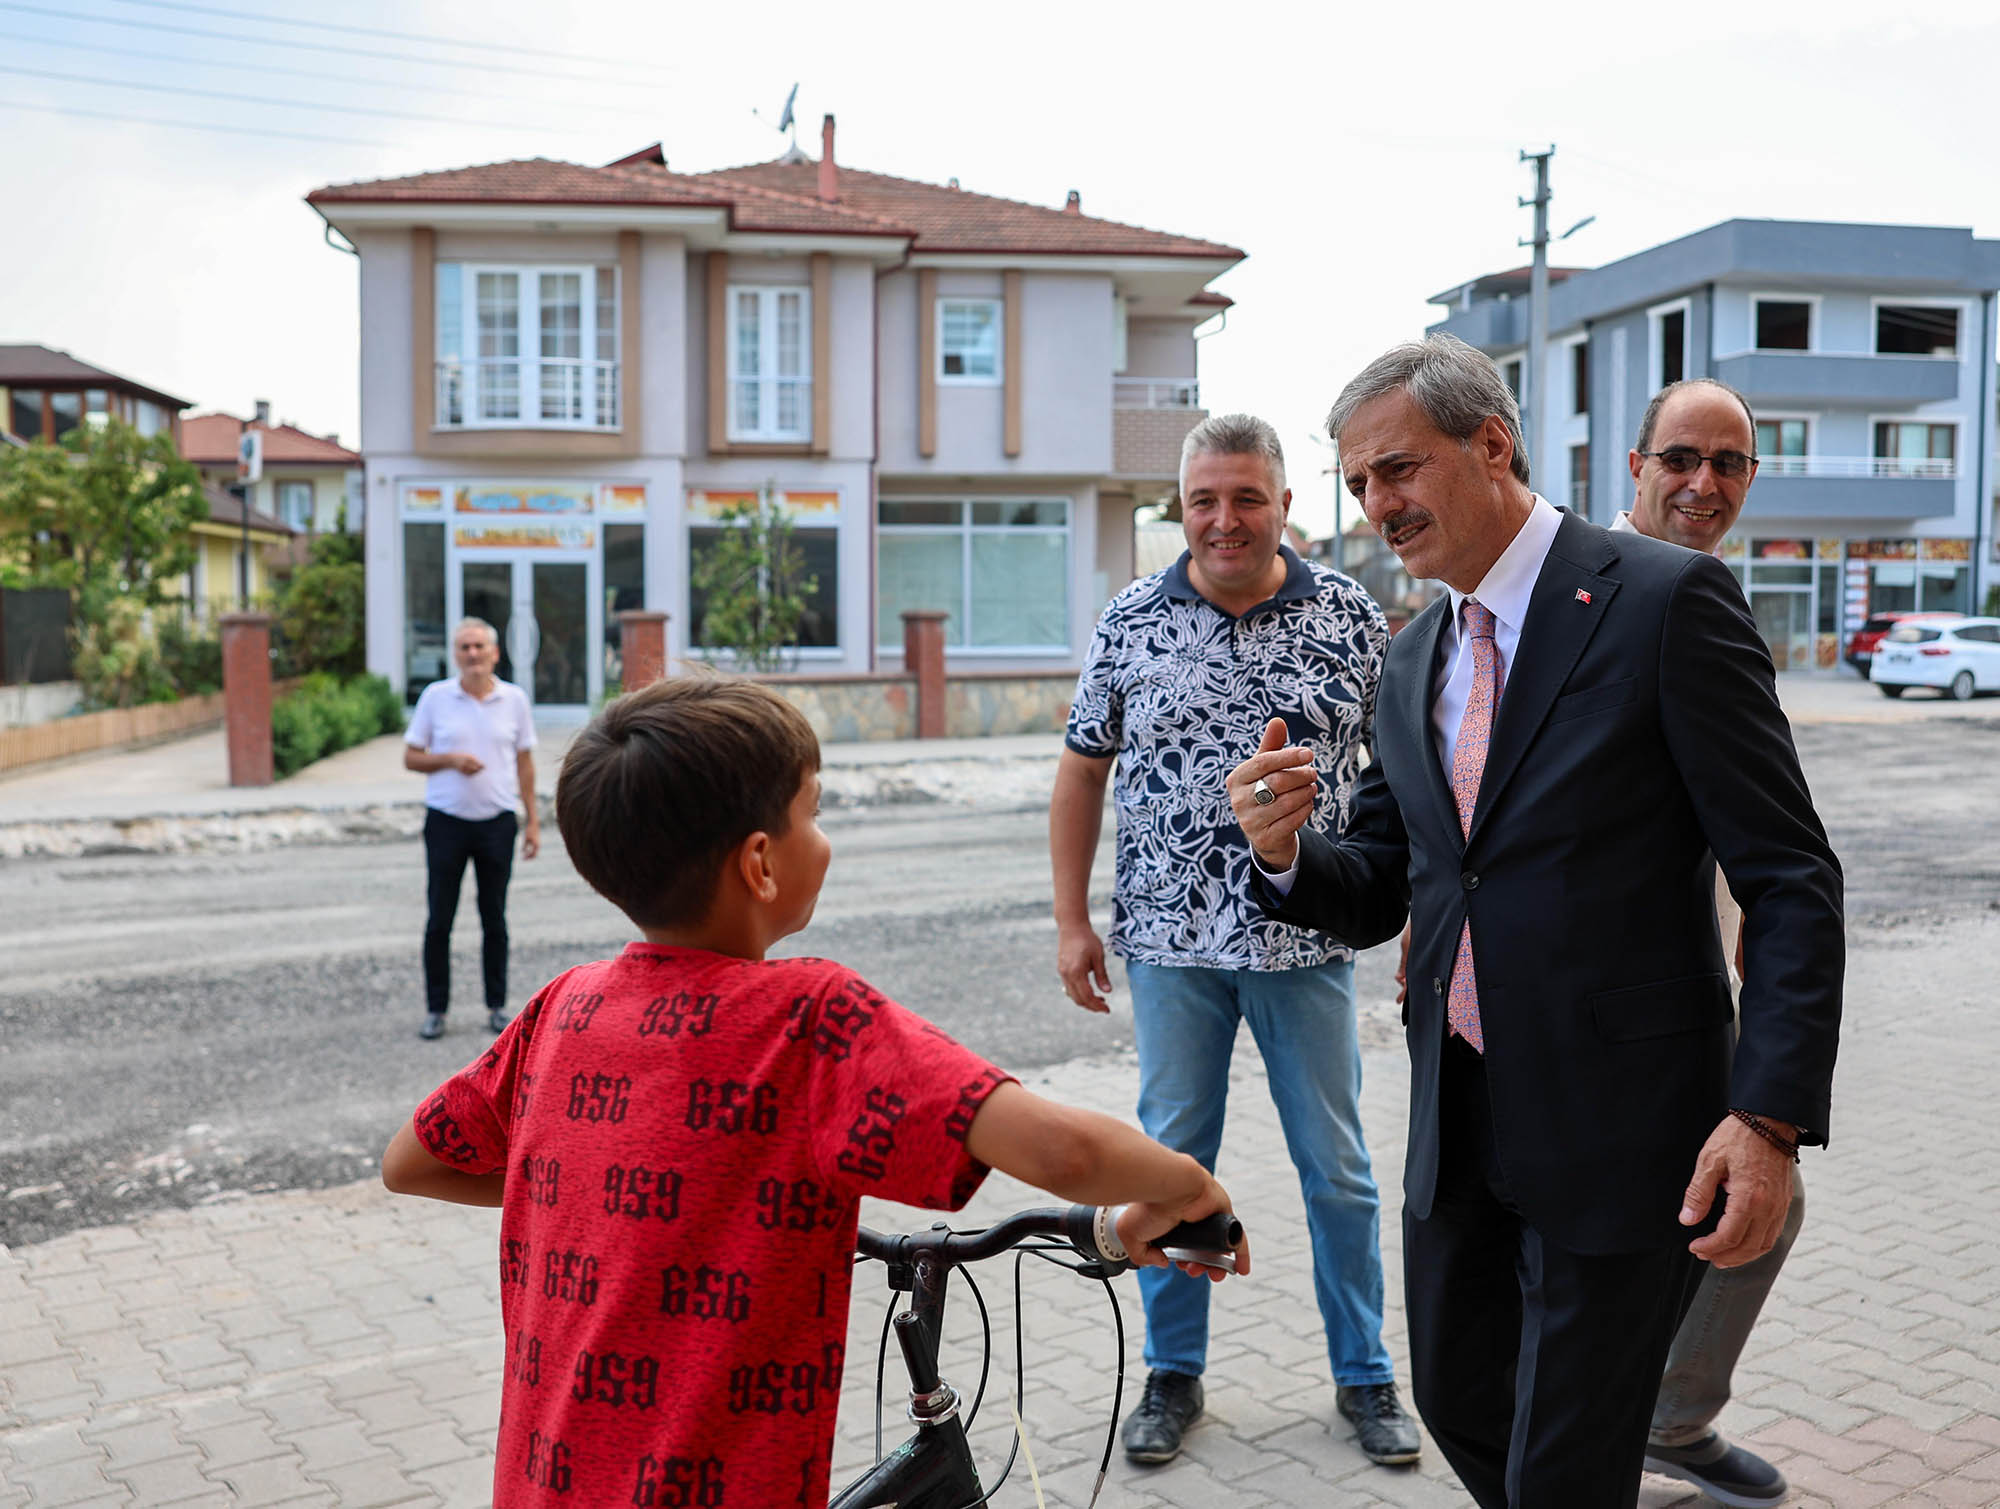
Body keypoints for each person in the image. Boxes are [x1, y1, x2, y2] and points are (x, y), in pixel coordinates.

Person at [380, 676, 1247, 1509]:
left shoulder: (560, 1009)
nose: (822, 836)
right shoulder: (807, 1022)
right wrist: (1186, 1185)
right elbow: (1066, 1151)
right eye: (814, 812)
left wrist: (639, 1203)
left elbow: (410, 1160)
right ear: (760, 862)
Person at [1230, 334, 1842, 1508]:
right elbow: (1387, 882)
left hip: (1621, 1136)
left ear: (1491, 445)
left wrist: (1763, 1119)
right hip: (1458, 1126)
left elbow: (1788, 878)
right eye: (1359, 483)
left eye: (1396, 470)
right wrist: (1282, 853)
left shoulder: (1663, 602)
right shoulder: (1411, 659)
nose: (1376, 504)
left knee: (1565, 1465)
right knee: (1461, 1405)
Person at [1052, 413, 1419, 1467]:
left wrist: (1426, 921)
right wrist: (1072, 918)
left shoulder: (1350, 618)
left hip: (1306, 947)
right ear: (1181, 506)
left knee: (1336, 1171)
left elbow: (1406, 787)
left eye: (1245, 497)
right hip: (1169, 949)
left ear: (1284, 505)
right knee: (1169, 1167)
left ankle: (1364, 1376)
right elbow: (1082, 767)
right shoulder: (1128, 619)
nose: (1223, 520)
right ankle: (1172, 1374)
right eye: (1204, 499)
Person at [1623, 378, 1807, 1508]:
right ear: (1634, 468)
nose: (1703, 484)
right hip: (1607, 995)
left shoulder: (1708, 594)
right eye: (1680, 458)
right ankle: (1630, 1429)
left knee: (1750, 1203)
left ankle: (1669, 1422)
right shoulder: (1598, 597)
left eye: (1728, 463)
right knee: (1713, 1205)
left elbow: (1753, 822)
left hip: (1692, 973)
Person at [403, 618, 540, 1040]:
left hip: (497, 823)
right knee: (439, 918)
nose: (473, 654)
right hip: (446, 822)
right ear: (455, 653)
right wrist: (451, 760)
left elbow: (525, 763)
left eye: (480, 646)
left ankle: (497, 1006)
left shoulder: (514, 700)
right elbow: (411, 757)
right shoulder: (436, 697)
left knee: (494, 917)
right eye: (464, 647)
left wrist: (532, 820)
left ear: (495, 653)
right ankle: (436, 1009)